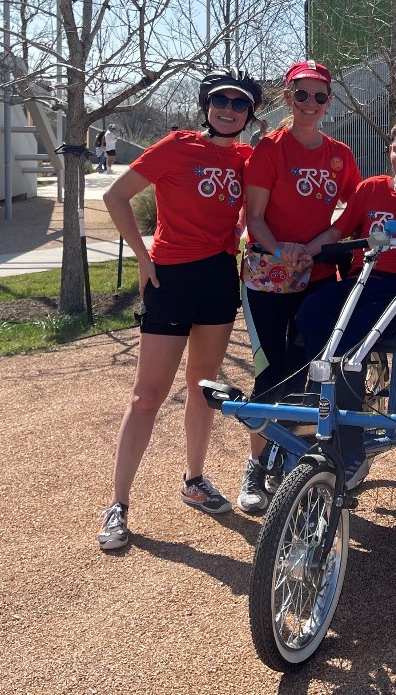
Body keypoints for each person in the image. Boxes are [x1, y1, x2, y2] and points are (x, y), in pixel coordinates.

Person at [93, 71, 261, 550]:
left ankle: (194, 479)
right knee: (147, 395)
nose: (228, 109)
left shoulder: (249, 158)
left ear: (249, 114)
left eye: (238, 103)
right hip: (170, 278)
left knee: (203, 388)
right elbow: (115, 195)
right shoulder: (175, 145)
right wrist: (143, 259)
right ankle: (119, 505)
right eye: (219, 101)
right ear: (206, 105)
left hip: (217, 280)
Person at [293, 117, 396, 486]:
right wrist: (309, 250)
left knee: (352, 338)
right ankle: (321, 407)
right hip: (360, 280)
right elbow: (338, 230)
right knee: (313, 312)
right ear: (389, 154)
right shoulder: (369, 189)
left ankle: (350, 447)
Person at [234, 60, 363, 516]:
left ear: (329, 101)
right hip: (270, 273)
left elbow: (355, 209)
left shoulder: (339, 155)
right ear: (287, 97)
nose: (310, 104)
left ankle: (298, 459)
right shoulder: (270, 150)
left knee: (313, 368)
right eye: (301, 95)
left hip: (318, 274)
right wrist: (283, 249)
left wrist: (318, 245)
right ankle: (255, 464)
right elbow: (255, 218)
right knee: (270, 370)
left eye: (319, 96)